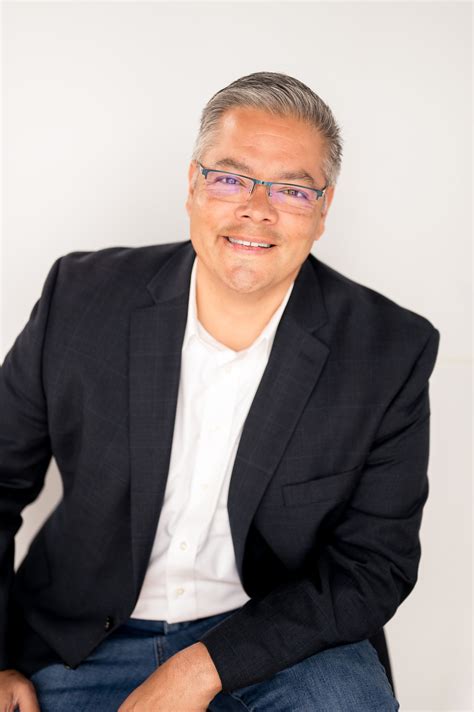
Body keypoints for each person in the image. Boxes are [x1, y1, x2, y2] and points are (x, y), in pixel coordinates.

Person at [0, 71, 440, 711]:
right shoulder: (82, 296)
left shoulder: (389, 350)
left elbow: (374, 565)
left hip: (278, 639)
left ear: (323, 211)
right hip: (82, 638)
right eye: (231, 179)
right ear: (192, 185)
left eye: (292, 189)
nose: (256, 209)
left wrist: (200, 670)